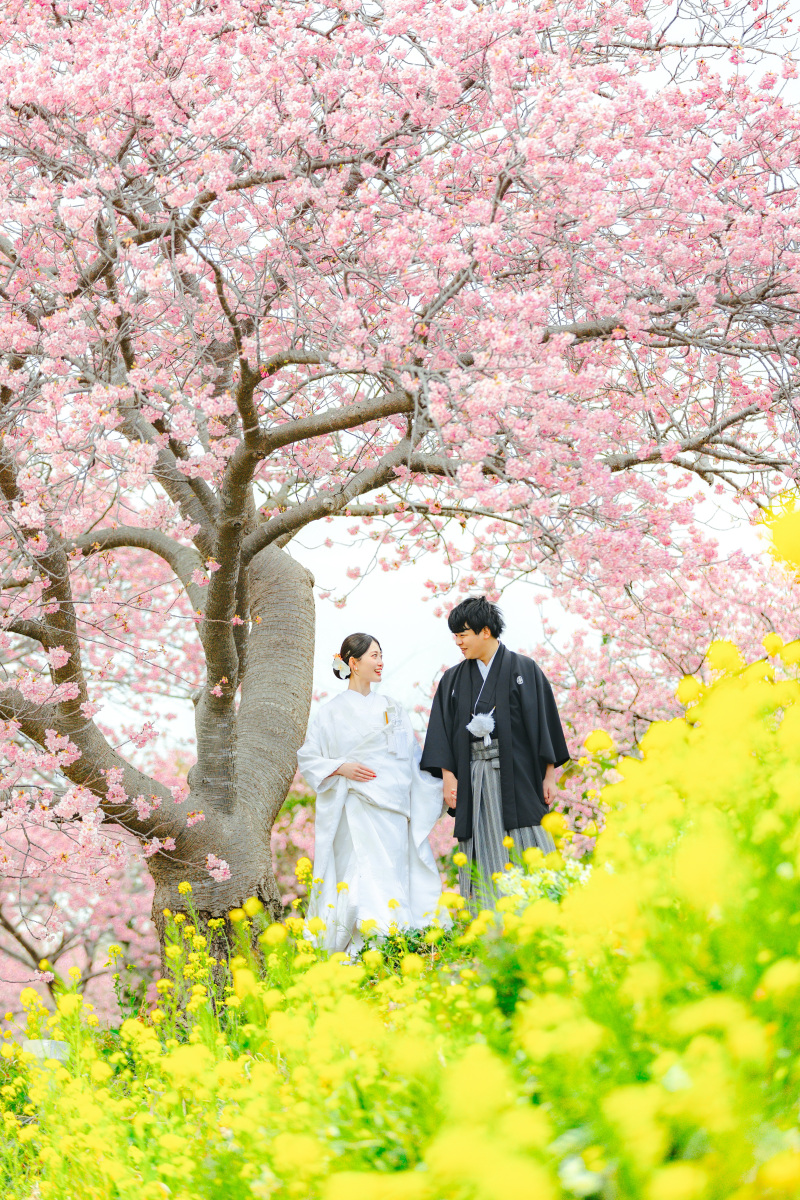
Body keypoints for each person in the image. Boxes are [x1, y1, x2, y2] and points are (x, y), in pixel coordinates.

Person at [297, 633, 445, 952]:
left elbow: (412, 759)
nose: (380, 662)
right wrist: (341, 767)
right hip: (354, 806)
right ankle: (361, 947)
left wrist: (443, 784)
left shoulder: (394, 708)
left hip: (393, 809)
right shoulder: (330, 712)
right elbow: (308, 757)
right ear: (353, 662)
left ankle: (394, 941)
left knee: (392, 874)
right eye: (374, 656)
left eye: (381, 655)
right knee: (358, 878)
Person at [420, 596, 570, 910]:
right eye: (455, 636)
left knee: (530, 835)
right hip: (475, 775)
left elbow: (544, 723)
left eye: (463, 634)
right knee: (482, 837)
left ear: (485, 631)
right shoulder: (452, 679)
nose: (458, 642)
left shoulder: (524, 669)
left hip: (520, 775)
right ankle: (488, 916)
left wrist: (549, 775)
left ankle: (544, 911)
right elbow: (442, 731)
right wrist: (448, 776)